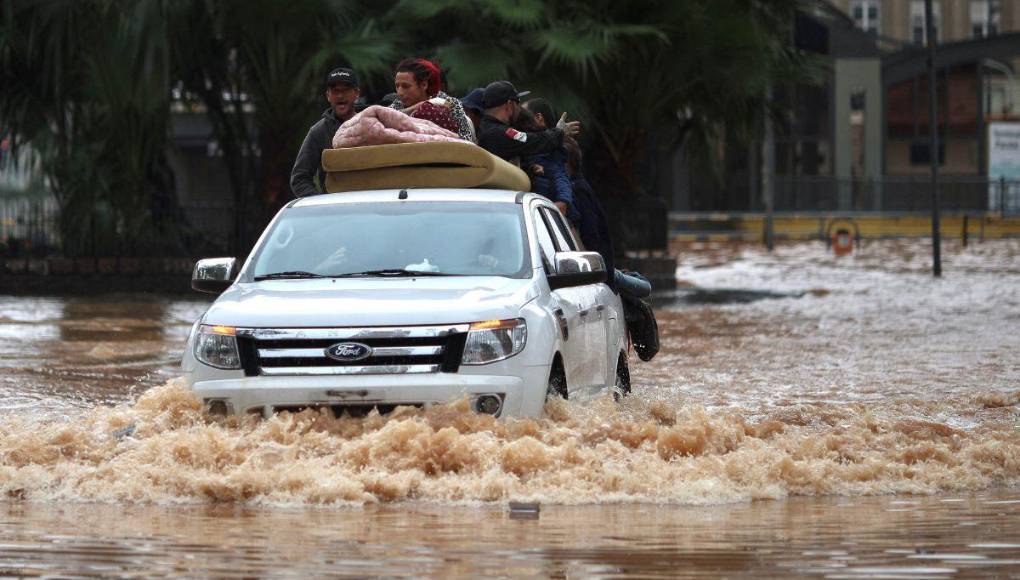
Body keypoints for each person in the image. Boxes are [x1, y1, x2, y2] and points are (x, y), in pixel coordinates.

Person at [290, 67, 360, 198]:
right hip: (334, 208)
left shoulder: (373, 124)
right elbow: (299, 179)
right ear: (328, 96)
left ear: (357, 93)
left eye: (345, 90)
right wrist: (321, 203)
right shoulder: (318, 132)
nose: (340, 95)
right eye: (335, 91)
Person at [476, 80, 580, 164]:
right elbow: (531, 140)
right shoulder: (502, 133)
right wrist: (559, 132)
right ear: (509, 105)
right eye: (518, 102)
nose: (520, 108)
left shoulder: (486, 127)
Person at [514, 105, 578, 224]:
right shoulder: (524, 146)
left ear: (538, 118)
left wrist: (562, 201)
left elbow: (560, 175)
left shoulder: (546, 150)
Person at [389, 58, 472, 141]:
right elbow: (385, 119)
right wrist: (414, 108)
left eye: (406, 86)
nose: (400, 92)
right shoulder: (398, 104)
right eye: (397, 86)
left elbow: (466, 139)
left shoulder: (451, 103)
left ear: (424, 85)